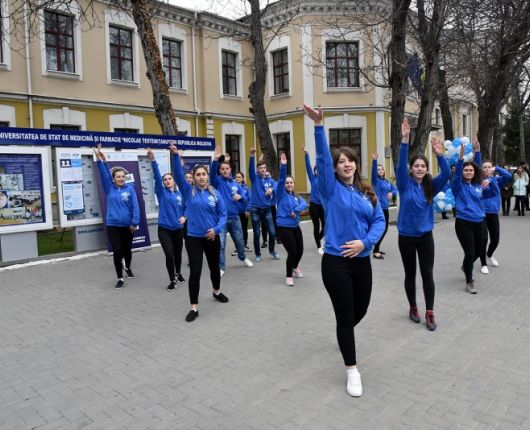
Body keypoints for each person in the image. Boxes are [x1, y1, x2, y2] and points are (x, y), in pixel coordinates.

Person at [303, 104, 385, 397]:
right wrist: (318, 126)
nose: (346, 164)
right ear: (336, 168)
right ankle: (352, 369)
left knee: (358, 311)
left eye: (350, 160)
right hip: (336, 262)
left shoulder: (366, 191)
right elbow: (323, 161)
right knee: (345, 314)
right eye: (341, 162)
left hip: (362, 260)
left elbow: (379, 221)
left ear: (356, 164)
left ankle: (343, 332)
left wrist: (366, 243)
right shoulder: (329, 189)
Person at [396, 119, 450, 330]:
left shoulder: (431, 185)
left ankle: (429, 312)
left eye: (423, 166)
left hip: (426, 237)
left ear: (427, 169)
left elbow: (446, 175)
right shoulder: (403, 184)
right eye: (416, 166)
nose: (420, 168)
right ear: (411, 169)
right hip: (406, 237)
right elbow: (400, 166)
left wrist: (439, 155)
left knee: (427, 274)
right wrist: (405, 140)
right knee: (410, 274)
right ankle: (413, 307)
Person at [171, 144, 228, 322]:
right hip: (194, 238)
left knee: (214, 268)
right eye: (198, 175)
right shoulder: (189, 191)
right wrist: (174, 156)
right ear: (194, 178)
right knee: (195, 271)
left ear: (207, 176)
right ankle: (194, 307)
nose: (201, 177)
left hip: (212, 237)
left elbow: (223, 214)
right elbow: (179, 175)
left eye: (204, 174)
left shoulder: (215, 193)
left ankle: (216, 291)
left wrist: (216, 229)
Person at [452, 141, 496, 294]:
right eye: (466, 170)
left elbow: (478, 168)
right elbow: (457, 175)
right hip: (464, 222)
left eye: (471, 170)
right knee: (470, 252)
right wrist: (460, 159)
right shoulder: (458, 186)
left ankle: (466, 266)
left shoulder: (478, 185)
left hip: (479, 222)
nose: (469, 172)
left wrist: (478, 152)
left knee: (479, 251)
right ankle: (469, 281)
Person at [94, 145, 139, 289]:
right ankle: (120, 277)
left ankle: (128, 267)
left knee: (127, 251)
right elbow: (104, 174)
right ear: (113, 179)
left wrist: (135, 222)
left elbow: (135, 206)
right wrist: (101, 160)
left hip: (128, 226)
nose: (121, 178)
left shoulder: (130, 189)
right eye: (118, 177)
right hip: (113, 225)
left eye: (123, 177)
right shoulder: (109, 188)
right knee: (117, 251)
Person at [210, 149, 253, 276]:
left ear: (230, 170)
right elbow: (212, 175)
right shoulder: (217, 181)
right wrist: (216, 160)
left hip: (235, 218)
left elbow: (245, 200)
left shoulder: (236, 184)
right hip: (221, 219)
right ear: (220, 170)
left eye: (227, 169)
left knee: (240, 241)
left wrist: (241, 197)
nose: (224, 170)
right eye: (222, 169)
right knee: (221, 244)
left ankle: (242, 257)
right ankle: (221, 267)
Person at [147, 149, 186, 290]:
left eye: (169, 178)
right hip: (164, 230)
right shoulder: (161, 192)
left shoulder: (180, 193)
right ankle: (172, 280)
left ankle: (179, 273)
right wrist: (153, 161)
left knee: (178, 254)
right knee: (169, 255)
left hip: (178, 229)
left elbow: (186, 207)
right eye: (165, 179)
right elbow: (157, 176)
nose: (167, 181)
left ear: (173, 181)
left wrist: (184, 216)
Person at [276, 153, 308, 286]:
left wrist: (295, 210)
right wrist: (284, 165)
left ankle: (295, 267)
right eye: (287, 183)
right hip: (283, 227)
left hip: (295, 226)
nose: (289, 184)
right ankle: (289, 276)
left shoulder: (296, 196)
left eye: (291, 183)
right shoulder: (281, 194)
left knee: (300, 250)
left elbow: (305, 204)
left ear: (294, 184)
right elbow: (281, 179)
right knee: (292, 251)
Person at [477, 153, 512, 274]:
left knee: (495, 239)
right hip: (482, 214)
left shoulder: (497, 180)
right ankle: (483, 264)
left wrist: (496, 168)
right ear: (481, 169)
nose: (487, 169)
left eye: (489, 167)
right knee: (484, 239)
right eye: (484, 167)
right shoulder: (478, 181)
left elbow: (508, 176)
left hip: (493, 213)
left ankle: (489, 255)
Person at [248, 148, 280, 262]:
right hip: (255, 210)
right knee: (257, 234)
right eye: (260, 168)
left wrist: (272, 188)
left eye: (264, 168)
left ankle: (272, 250)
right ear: (257, 170)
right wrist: (252, 156)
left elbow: (277, 185)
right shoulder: (254, 178)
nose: (262, 169)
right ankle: (258, 254)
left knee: (272, 232)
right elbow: (250, 169)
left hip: (267, 209)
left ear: (266, 169)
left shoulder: (269, 179)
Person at [370, 152, 398, 259]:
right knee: (382, 228)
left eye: (382, 169)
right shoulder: (375, 181)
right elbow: (373, 172)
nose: (380, 171)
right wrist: (374, 161)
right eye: (378, 169)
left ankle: (376, 248)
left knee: (384, 229)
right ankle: (375, 250)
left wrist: (392, 193)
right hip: (378, 208)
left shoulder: (386, 181)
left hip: (385, 208)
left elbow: (395, 188)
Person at [304, 145, 325, 254]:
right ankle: (319, 246)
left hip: (323, 205)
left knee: (326, 226)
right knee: (316, 226)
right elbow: (308, 167)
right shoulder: (313, 179)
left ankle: (320, 237)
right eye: (316, 169)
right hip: (314, 205)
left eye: (319, 170)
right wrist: (306, 155)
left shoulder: (324, 180)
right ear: (314, 171)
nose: (317, 171)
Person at [233, 171, 252, 254]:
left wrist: (248, 210)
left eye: (239, 177)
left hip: (244, 212)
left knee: (244, 229)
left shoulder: (246, 188)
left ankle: (245, 245)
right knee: (236, 230)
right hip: (235, 212)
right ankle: (238, 247)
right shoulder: (232, 188)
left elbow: (249, 200)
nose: (238, 179)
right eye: (236, 177)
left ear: (243, 178)